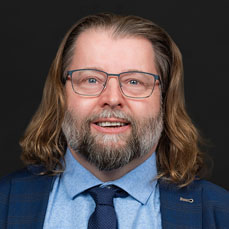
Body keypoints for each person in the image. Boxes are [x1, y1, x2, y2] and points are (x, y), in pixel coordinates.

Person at [0, 13, 228, 229]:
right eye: (90, 79)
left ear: (164, 99)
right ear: (60, 95)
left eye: (134, 82)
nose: (112, 99)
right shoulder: (5, 203)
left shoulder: (220, 212)